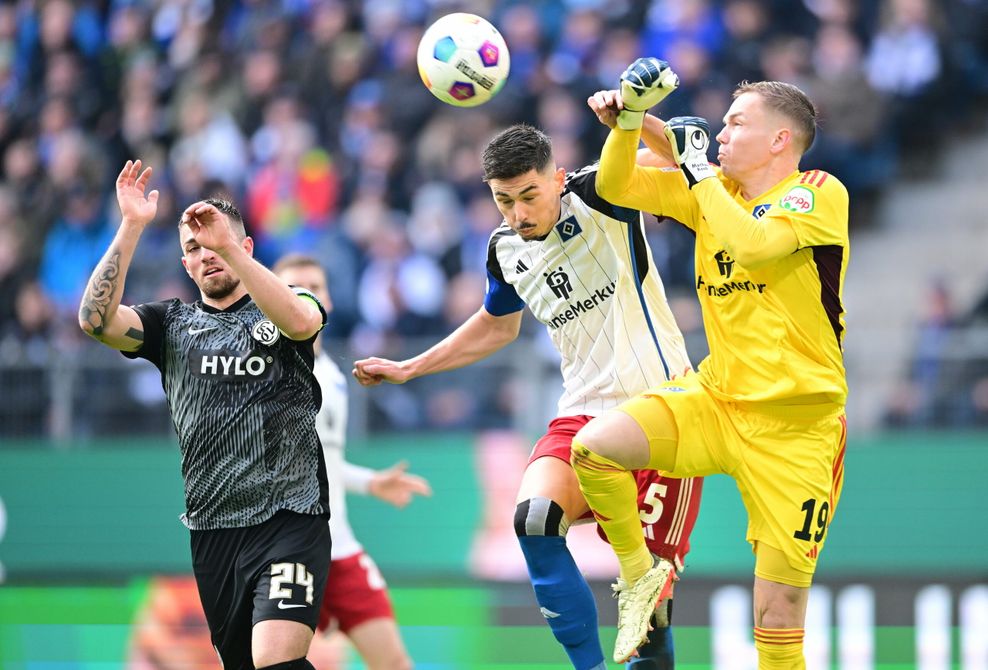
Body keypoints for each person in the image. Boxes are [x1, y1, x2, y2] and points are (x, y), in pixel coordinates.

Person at [353, 124, 703, 670]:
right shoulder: (504, 249)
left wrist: (632, 116)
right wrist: (410, 366)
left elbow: (688, 148)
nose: (517, 214)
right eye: (503, 200)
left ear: (558, 179)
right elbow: (497, 327)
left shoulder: (601, 192)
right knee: (534, 520)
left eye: (529, 196)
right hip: (584, 413)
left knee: (648, 610)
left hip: (664, 413)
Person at [572, 58, 849, 667]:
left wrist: (694, 168)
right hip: (717, 401)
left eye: (735, 123)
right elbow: (619, 187)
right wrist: (629, 122)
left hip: (798, 429)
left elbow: (752, 246)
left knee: (777, 624)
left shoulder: (817, 192)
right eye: (719, 125)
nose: (720, 134)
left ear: (780, 140)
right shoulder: (711, 190)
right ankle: (639, 576)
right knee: (595, 448)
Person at [78, 160, 332, 670]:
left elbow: (303, 322)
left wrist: (226, 245)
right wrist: (131, 226)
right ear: (184, 264)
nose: (205, 254)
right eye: (193, 249)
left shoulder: (284, 303)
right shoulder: (170, 324)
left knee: (276, 661)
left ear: (246, 248)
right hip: (213, 530)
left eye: (214, 243)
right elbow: (94, 320)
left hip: (291, 516)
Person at [273, 253, 432, 670]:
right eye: (290, 287)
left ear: (329, 299)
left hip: (339, 549)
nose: (304, 293)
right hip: (284, 552)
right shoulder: (264, 372)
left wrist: (368, 482)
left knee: (395, 664)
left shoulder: (333, 375)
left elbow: (321, 462)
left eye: (315, 285)